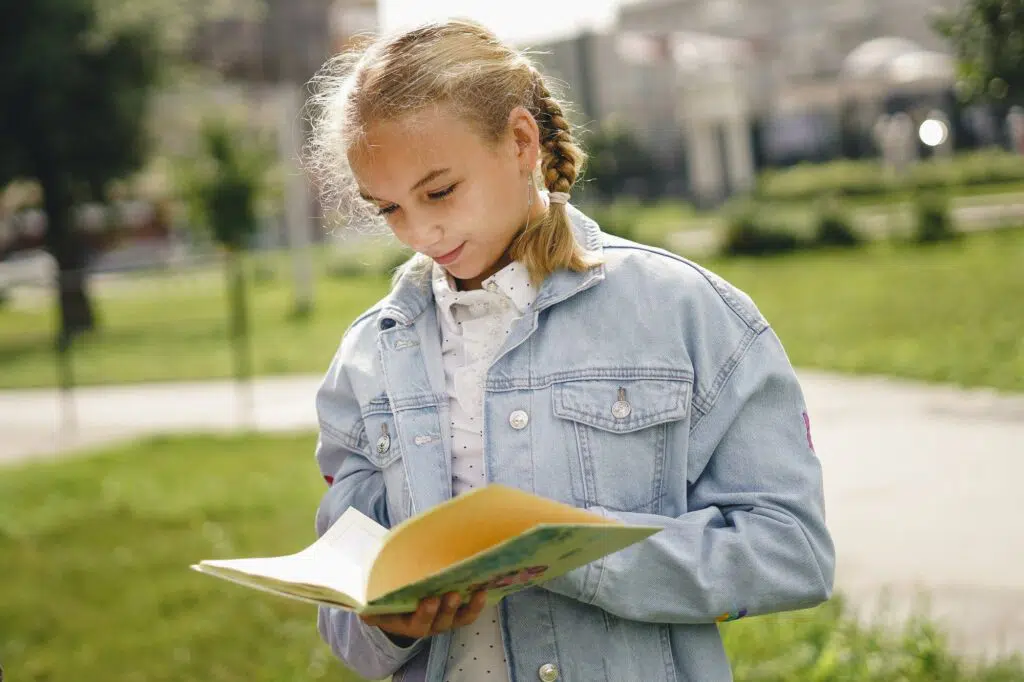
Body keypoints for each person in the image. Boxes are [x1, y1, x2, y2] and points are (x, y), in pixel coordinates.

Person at [305, 18, 834, 682]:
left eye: (439, 191)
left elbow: (793, 553)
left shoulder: (686, 312)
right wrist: (381, 622)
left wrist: (575, 554)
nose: (419, 230)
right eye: (387, 208)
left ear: (520, 141)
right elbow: (340, 612)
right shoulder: (366, 360)